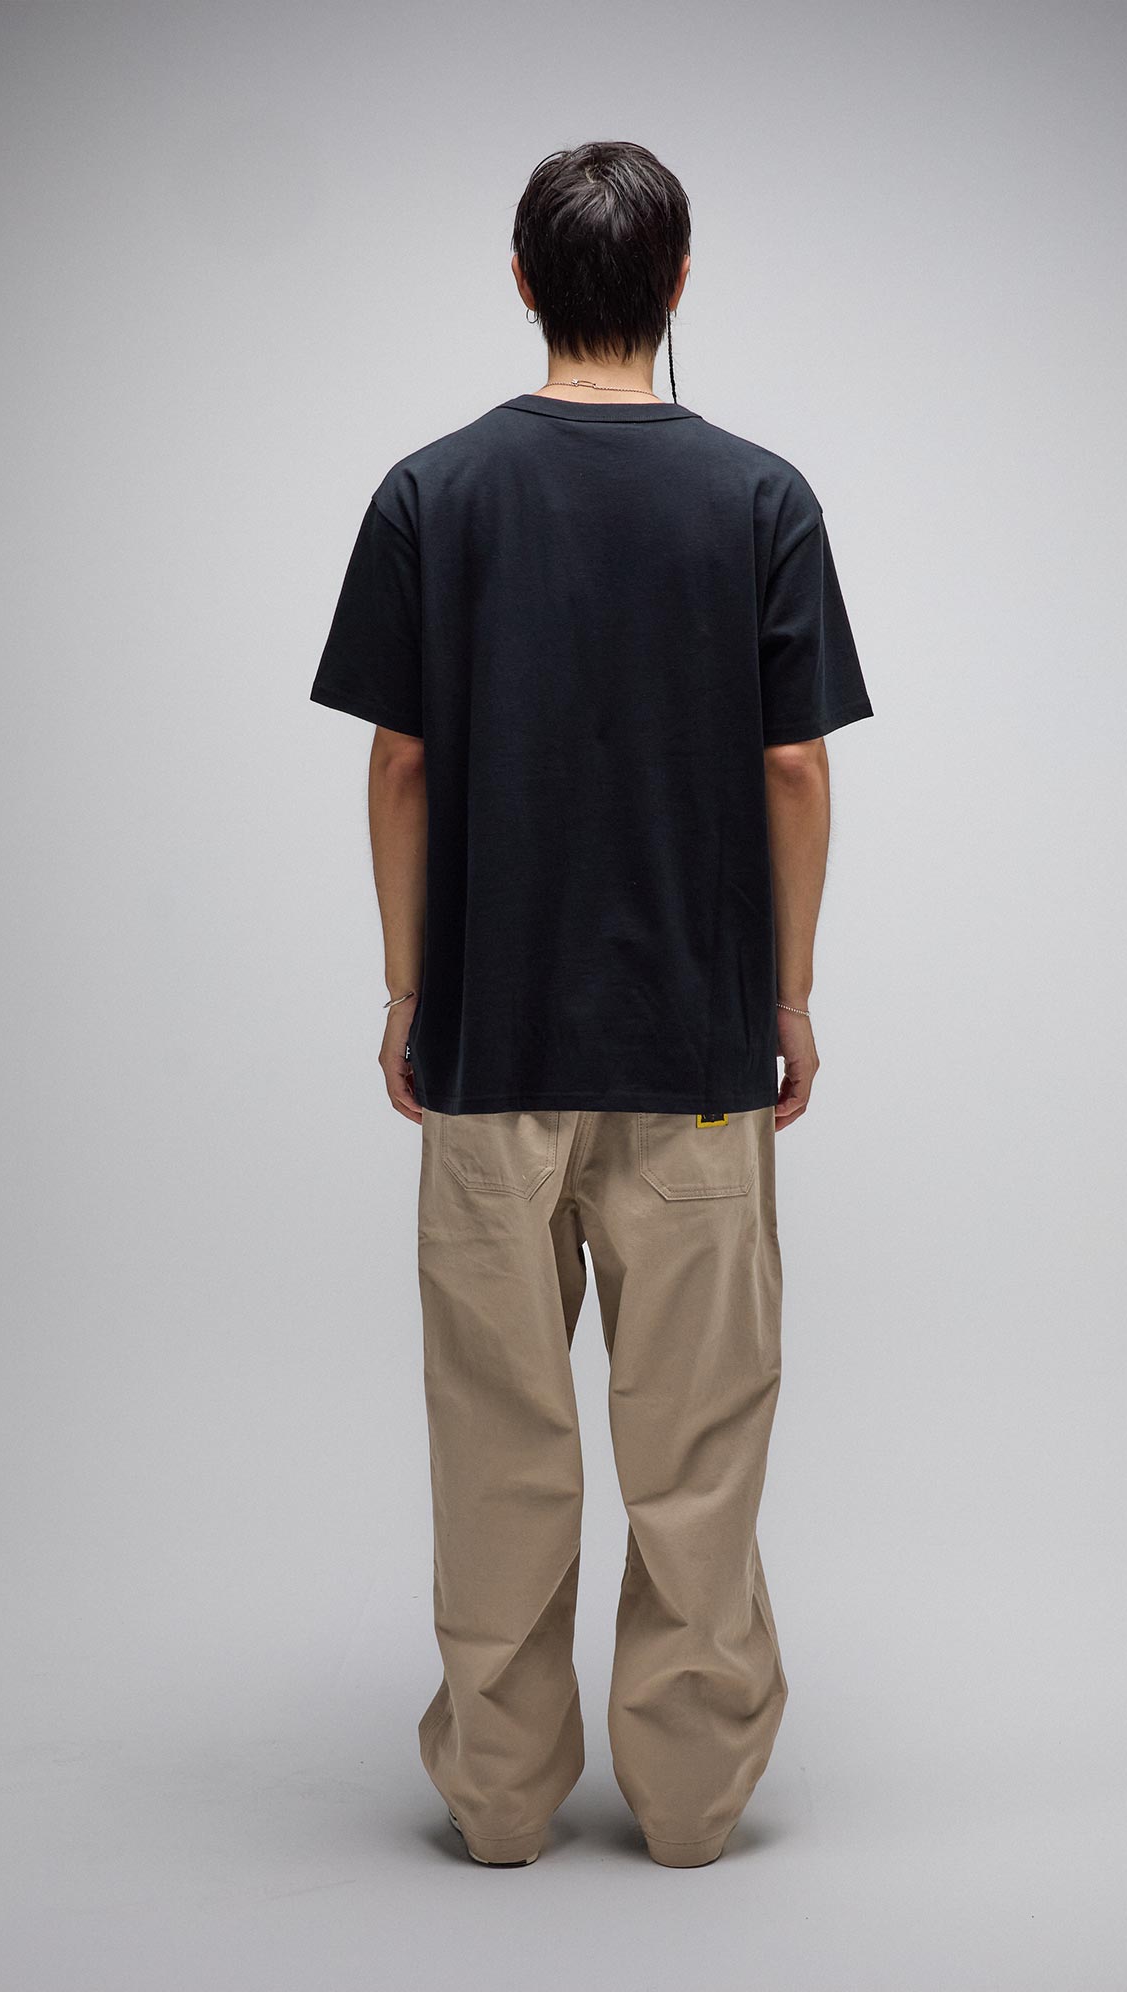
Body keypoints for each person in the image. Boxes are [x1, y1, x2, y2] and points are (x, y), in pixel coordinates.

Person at [310, 138, 872, 1870]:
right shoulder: (760, 498)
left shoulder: (431, 493)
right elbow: (792, 768)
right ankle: (690, 1806)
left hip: (489, 1053)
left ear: (521, 280)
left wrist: (409, 989)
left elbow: (401, 763)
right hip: (696, 1051)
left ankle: (497, 1801)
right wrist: (787, 996)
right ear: (679, 282)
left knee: (498, 1444)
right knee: (695, 1450)